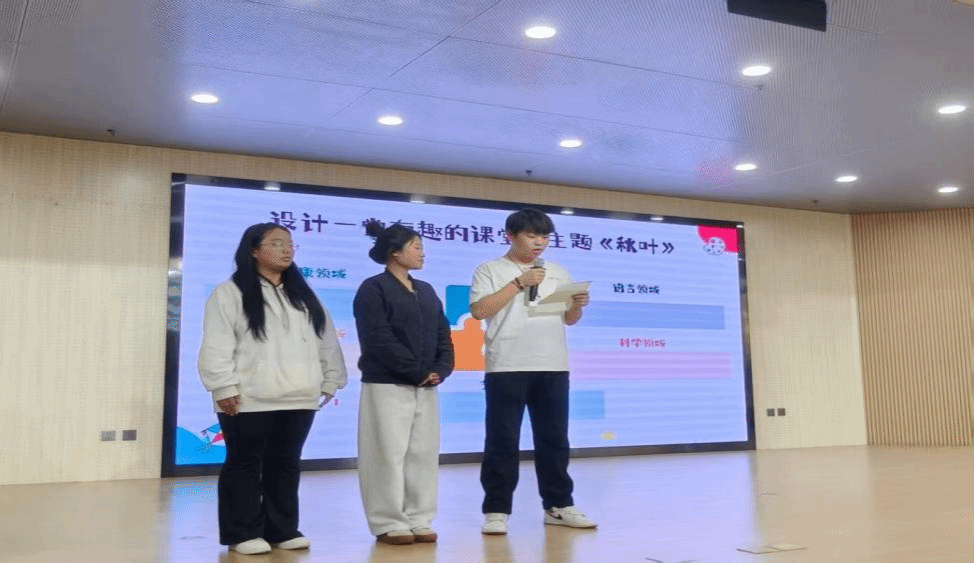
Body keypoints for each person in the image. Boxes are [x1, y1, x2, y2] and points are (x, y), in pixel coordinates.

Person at [198, 222, 347, 555]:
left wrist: (331, 378)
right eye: (277, 243)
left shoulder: (304, 295)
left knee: (286, 464)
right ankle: (242, 532)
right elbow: (217, 345)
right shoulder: (230, 292)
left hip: (299, 396)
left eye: (290, 244)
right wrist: (222, 385)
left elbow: (325, 340)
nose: (287, 249)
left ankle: (282, 529)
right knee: (244, 464)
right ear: (254, 250)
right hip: (247, 398)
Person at [469, 208, 597, 535]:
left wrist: (577, 304)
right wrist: (518, 283)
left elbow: (568, 319)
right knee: (502, 440)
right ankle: (496, 510)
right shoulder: (490, 269)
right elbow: (480, 310)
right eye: (531, 235)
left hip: (553, 365)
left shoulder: (557, 270)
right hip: (507, 365)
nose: (539, 242)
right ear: (511, 236)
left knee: (554, 439)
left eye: (544, 236)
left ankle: (558, 505)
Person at [353, 221, 455, 545]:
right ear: (395, 253)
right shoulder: (373, 288)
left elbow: (442, 332)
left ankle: (419, 518)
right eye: (416, 247)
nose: (423, 253)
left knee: (423, 454)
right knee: (386, 454)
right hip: (387, 384)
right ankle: (388, 521)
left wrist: (441, 368)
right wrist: (416, 371)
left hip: (426, 385)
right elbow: (378, 338)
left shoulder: (426, 289)